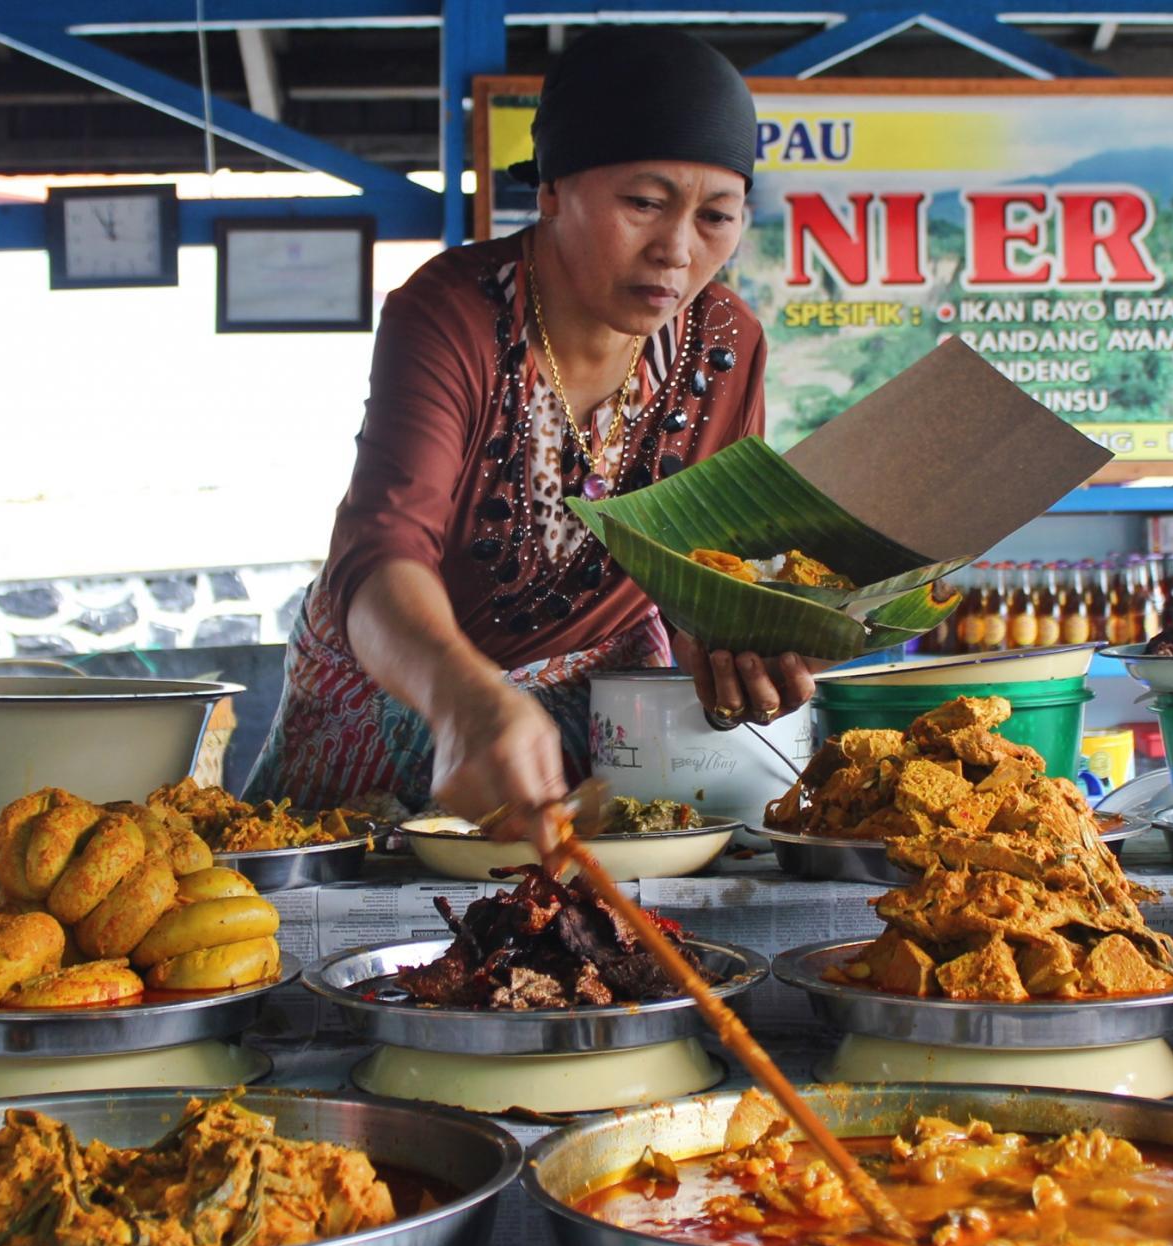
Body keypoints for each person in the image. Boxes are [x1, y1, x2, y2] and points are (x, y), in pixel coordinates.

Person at [247, 27, 814, 850]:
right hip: (411, 688)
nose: (679, 251)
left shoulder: (726, 341)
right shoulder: (453, 316)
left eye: (717, 217)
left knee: (579, 943)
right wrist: (464, 699)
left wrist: (733, 642)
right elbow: (379, 552)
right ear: (550, 191)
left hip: (603, 716)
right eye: (644, 204)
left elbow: (705, 568)